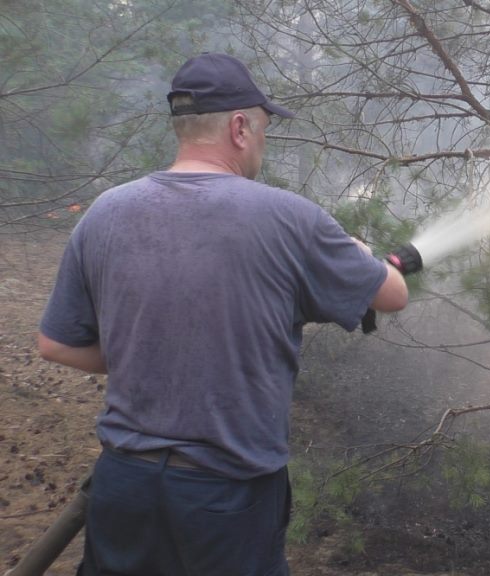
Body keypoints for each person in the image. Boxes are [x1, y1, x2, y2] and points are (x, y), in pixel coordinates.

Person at [36, 52, 409, 576]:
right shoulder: (290, 218)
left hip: (124, 483)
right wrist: (361, 254)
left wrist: (148, 355)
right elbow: (391, 295)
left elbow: (55, 343)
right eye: (262, 129)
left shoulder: (105, 212)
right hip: (227, 495)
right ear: (239, 127)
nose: (263, 142)